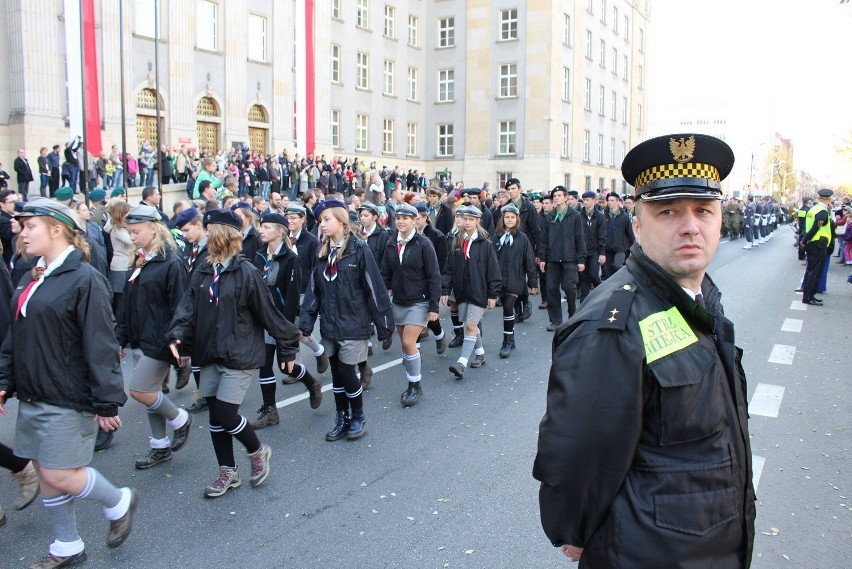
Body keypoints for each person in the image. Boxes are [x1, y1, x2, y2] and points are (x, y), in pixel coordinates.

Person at [534, 133, 756, 567]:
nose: (690, 225)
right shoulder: (611, 324)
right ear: (637, 225)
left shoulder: (697, 296)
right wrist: (575, 532)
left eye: (703, 211)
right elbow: (579, 450)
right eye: (668, 211)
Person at [0, 198, 138, 567]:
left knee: (61, 472)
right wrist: (4, 380)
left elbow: (101, 343)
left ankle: (118, 500)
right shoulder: (33, 275)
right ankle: (67, 544)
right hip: (33, 392)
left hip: (67, 394)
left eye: (30, 226)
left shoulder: (84, 278)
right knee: (47, 470)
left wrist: (107, 401)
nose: (22, 232)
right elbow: (17, 335)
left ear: (57, 229)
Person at [167, 209, 301, 497]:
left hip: (239, 353)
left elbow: (271, 315)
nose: (204, 235)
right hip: (209, 352)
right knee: (216, 417)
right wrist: (178, 335)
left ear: (224, 235)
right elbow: (187, 307)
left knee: (227, 413)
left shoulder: (246, 273)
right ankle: (227, 472)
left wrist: (287, 347)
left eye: (210, 229)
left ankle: (257, 451)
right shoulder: (203, 269)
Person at [299, 200, 394, 441]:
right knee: (337, 374)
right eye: (320, 221)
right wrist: (307, 322)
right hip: (330, 324)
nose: (322, 225)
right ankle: (342, 417)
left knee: (347, 371)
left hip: (354, 323)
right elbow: (314, 289)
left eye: (326, 220)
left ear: (341, 221)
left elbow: (375, 288)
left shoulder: (359, 250)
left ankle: (358, 415)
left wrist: (383, 325)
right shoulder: (322, 252)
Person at [117, 204, 193, 469]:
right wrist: (121, 338)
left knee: (139, 390)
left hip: (161, 341)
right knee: (151, 391)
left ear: (154, 229)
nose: (132, 236)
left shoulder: (171, 263)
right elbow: (127, 305)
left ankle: (180, 419)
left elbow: (182, 307)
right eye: (130, 232)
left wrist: (178, 344)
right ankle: (160, 446)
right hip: (142, 338)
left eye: (136, 231)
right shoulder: (139, 260)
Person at [249, 212, 323, 428]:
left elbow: (291, 297)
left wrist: (287, 330)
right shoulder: (259, 255)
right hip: (262, 319)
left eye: (267, 227)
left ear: (280, 231)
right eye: (261, 226)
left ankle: (312, 383)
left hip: (281, 319)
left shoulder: (291, 259)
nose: (261, 230)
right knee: (264, 365)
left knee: (286, 367)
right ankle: (270, 409)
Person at [380, 203, 442, 407]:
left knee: (408, 342)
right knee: (407, 347)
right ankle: (413, 378)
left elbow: (433, 275)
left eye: (405, 218)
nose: (400, 221)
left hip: (419, 301)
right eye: (398, 218)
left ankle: (414, 385)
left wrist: (434, 306)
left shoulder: (424, 244)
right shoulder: (391, 243)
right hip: (399, 300)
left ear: (415, 220)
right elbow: (385, 273)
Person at [441, 205, 501, 379]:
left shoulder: (485, 243)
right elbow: (449, 269)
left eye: (470, 219)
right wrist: (446, 289)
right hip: (462, 291)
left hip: (479, 291)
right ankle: (480, 353)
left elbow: (493, 270)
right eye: (464, 219)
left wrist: (492, 294)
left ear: (477, 221)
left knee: (470, 325)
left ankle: (462, 362)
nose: (466, 222)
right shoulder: (456, 241)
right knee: (471, 323)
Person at [174, 207, 210, 413]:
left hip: (207, 308)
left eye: (188, 230)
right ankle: (204, 394)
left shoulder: (212, 247)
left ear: (199, 225)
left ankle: (212, 394)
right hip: (193, 308)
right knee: (196, 354)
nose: (185, 235)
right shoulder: (191, 248)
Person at [492, 204, 538, 358]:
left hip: (516, 279)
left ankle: (506, 342)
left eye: (512, 217)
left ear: (517, 219)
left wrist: (532, 283)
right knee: (506, 308)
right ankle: (511, 338)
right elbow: (491, 260)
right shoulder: (496, 237)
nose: (509, 220)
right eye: (507, 217)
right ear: (502, 219)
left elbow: (529, 260)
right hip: (500, 280)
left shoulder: (522, 238)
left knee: (507, 307)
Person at [539, 185, 587, 332]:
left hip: (569, 258)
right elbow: (543, 239)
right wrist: (542, 258)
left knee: (569, 288)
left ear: (566, 197)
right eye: (555, 196)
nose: (557, 198)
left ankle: (572, 314)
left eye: (559, 195)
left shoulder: (574, 215)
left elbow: (580, 238)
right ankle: (555, 320)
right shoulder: (550, 216)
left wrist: (581, 260)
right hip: (553, 259)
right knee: (551, 288)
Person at [800, 188, 834, 306]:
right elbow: (816, 227)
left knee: (811, 270)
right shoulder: (823, 211)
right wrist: (805, 239)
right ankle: (809, 297)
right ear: (829, 199)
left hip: (813, 243)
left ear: (819, 198)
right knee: (815, 272)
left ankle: (808, 295)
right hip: (818, 244)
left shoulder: (813, 209)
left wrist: (805, 239)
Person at [105, 200, 134, 315]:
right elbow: (131, 242)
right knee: (121, 299)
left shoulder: (124, 228)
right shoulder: (117, 229)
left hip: (126, 264)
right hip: (120, 266)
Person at [578, 190, 607, 303]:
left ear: (594, 201)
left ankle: (600, 291)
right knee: (583, 277)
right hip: (582, 251)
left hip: (594, 251)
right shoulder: (579, 215)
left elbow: (602, 235)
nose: (585, 202)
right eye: (584, 200)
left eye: (588, 200)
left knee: (594, 273)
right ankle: (584, 301)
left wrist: (602, 252)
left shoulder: (599, 216)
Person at [601, 193, 634, 279]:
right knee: (607, 271)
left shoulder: (624, 216)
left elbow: (630, 233)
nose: (610, 202)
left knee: (617, 266)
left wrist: (633, 248)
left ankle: (621, 282)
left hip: (620, 247)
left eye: (612, 200)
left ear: (618, 201)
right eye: (608, 200)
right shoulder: (603, 215)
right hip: (607, 248)